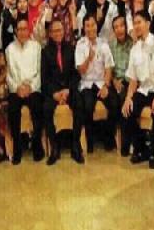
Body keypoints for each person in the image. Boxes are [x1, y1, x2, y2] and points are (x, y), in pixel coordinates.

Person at [122, 11, 154, 169]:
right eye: (134, 23)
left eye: (139, 22)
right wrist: (128, 98)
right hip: (143, 90)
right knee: (128, 111)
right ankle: (141, 148)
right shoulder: (134, 49)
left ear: (148, 24)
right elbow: (133, 79)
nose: (136, 26)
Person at [74, 14, 119, 153]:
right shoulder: (80, 45)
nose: (90, 28)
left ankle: (108, 138)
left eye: (92, 25)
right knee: (87, 106)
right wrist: (89, 58)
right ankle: (90, 141)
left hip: (101, 82)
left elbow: (109, 67)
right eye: (87, 26)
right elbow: (80, 70)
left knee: (115, 103)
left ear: (96, 26)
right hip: (86, 83)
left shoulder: (103, 44)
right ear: (83, 28)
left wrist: (106, 86)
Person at [41, 19, 81, 165]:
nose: (58, 33)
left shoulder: (71, 48)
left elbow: (75, 74)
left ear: (64, 32)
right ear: (50, 34)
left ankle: (75, 145)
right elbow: (45, 78)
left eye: (60, 30)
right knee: (46, 108)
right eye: (55, 31)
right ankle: (54, 148)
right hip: (54, 92)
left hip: (69, 90)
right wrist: (55, 94)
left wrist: (68, 90)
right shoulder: (45, 52)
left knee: (79, 103)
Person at [6, 17, 43, 164]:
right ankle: (17, 149)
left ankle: (37, 146)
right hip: (17, 89)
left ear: (29, 30)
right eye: (19, 29)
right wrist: (17, 88)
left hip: (32, 87)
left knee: (37, 106)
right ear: (16, 31)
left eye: (25, 29)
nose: (22, 32)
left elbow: (39, 72)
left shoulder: (36, 47)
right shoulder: (9, 49)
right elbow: (8, 75)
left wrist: (31, 87)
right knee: (13, 110)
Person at [109, 15, 133, 156]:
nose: (119, 29)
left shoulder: (133, 43)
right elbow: (108, 68)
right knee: (112, 101)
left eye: (121, 26)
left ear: (126, 27)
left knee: (125, 100)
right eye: (116, 27)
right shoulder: (111, 45)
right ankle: (111, 139)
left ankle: (125, 144)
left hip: (130, 81)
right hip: (115, 81)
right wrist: (114, 81)